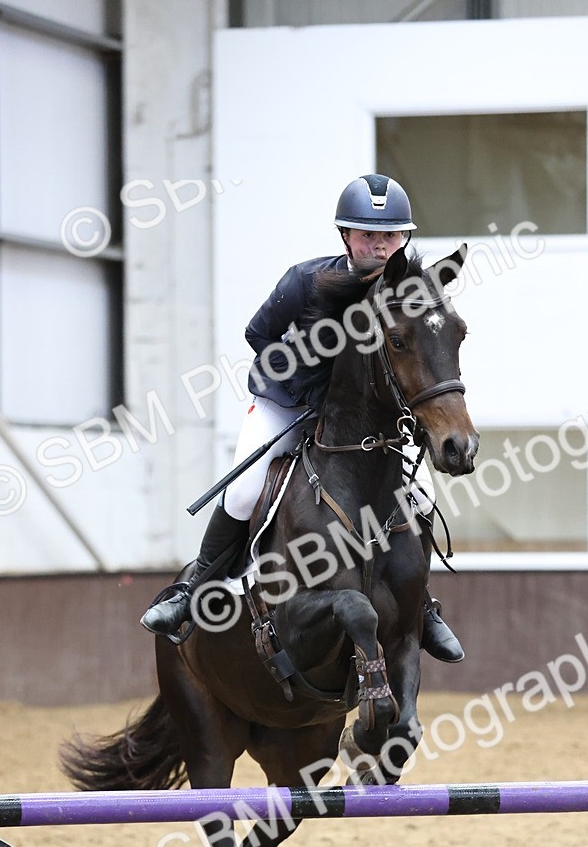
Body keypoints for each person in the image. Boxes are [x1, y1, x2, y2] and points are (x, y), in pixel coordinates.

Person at [141, 173, 463, 662]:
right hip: (287, 404)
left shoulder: (409, 298)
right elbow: (259, 336)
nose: (379, 244)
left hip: (359, 424)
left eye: (390, 235)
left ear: (404, 241)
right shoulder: (305, 281)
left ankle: (423, 609)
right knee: (246, 490)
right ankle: (192, 594)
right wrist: (307, 388)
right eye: (367, 234)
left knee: (419, 494)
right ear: (346, 237)